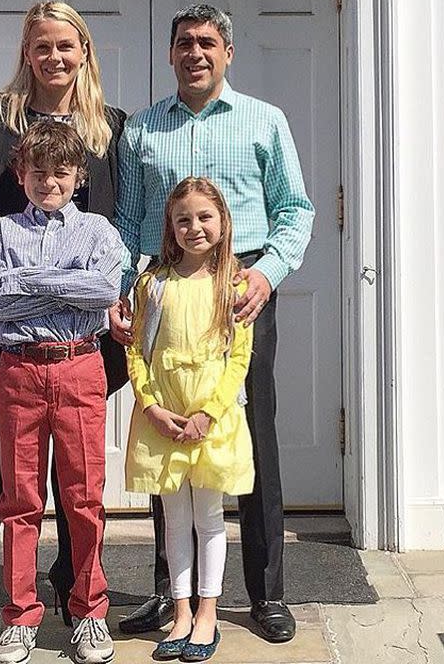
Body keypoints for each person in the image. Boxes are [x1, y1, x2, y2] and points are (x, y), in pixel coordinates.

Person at [113, 4, 314, 643]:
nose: (194, 53)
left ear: (227, 53)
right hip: (164, 289)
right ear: (170, 54)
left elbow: (296, 209)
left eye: (206, 42)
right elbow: (125, 219)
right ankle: (168, 592)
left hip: (240, 290)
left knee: (249, 434)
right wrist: (123, 294)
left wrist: (266, 275)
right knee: (163, 434)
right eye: (183, 43)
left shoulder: (264, 121)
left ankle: (266, 592)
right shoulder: (143, 129)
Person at [0, 0, 128, 647]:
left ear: (84, 51)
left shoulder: (111, 127)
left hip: (86, 335)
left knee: (76, 473)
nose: (54, 57)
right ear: (27, 53)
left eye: (66, 46)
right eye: (42, 46)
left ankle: (71, 584)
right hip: (8, 331)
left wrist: (117, 294)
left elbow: (123, 226)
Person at [0, 120, 123, 664]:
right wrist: (65, 282)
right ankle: (19, 618)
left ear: (78, 175)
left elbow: (104, 290)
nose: (49, 181)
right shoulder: (0, 232)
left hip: (79, 367)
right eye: (38, 171)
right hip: (17, 372)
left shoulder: (98, 233)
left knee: (84, 498)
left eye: (61, 172)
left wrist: (32, 279)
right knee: (19, 500)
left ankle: (89, 612)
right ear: (21, 174)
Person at [125, 177, 254, 662]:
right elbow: (137, 351)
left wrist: (209, 412)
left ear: (222, 223)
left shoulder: (234, 284)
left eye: (204, 217)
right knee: (174, 519)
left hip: (210, 419)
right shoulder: (153, 284)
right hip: (165, 415)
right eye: (183, 219)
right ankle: (180, 611)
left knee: (210, 517)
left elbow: (238, 359)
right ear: (169, 227)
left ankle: (207, 613)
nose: (194, 227)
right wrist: (151, 406)